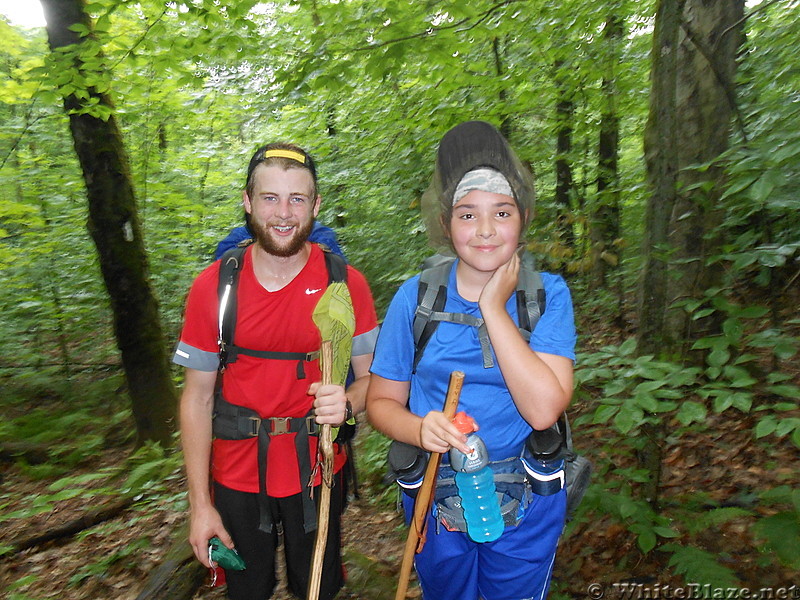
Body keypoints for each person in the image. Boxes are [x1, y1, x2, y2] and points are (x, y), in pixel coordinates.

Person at [366, 121, 576, 600]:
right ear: (446, 224)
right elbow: (381, 402)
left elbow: (544, 410)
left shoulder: (546, 298)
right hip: (433, 495)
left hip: (528, 492)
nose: (485, 230)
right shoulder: (415, 299)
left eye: (501, 212)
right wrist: (419, 429)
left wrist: (492, 309)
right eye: (467, 215)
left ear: (522, 217)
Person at [173, 142, 379, 600]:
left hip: (319, 468)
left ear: (316, 205)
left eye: (297, 199)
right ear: (248, 202)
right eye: (270, 198)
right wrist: (199, 505)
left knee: (318, 590)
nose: (283, 213)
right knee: (246, 590)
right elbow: (197, 398)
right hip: (237, 473)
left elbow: (375, 381)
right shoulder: (215, 287)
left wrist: (348, 401)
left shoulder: (345, 283)